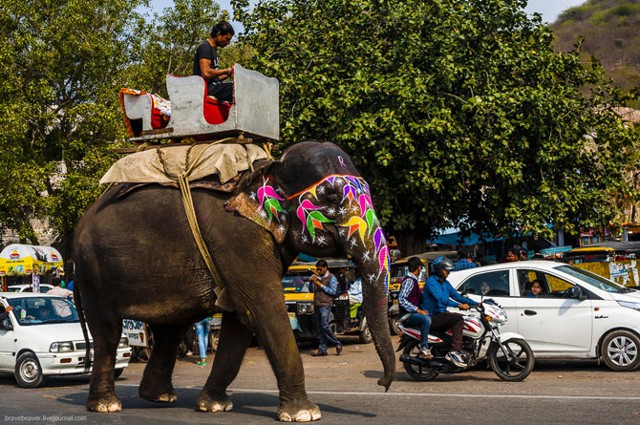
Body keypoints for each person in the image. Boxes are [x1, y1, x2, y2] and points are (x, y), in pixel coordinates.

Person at [421, 256, 479, 368]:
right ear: (438, 269)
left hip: (441, 314)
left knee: (467, 319)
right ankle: (454, 351)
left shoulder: (445, 283)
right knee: (458, 319)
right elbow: (441, 299)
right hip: (433, 316)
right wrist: (459, 305)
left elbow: (456, 296)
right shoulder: (431, 282)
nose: (448, 272)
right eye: (446, 270)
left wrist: (476, 303)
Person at [398, 257, 433, 359]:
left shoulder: (413, 280)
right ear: (418, 268)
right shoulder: (409, 281)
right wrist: (417, 310)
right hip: (407, 315)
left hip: (412, 313)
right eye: (421, 268)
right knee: (426, 319)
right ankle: (424, 348)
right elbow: (402, 299)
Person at [193, 20, 235, 103]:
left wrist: (230, 73)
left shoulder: (213, 49)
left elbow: (215, 78)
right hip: (206, 88)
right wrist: (226, 70)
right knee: (238, 88)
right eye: (227, 39)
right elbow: (206, 73)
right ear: (219, 35)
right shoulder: (205, 47)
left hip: (214, 86)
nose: (228, 43)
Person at [310, 259, 342, 356]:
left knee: (324, 325)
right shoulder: (317, 277)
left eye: (320, 269)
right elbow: (311, 290)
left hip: (326, 304)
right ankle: (322, 349)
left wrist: (320, 285)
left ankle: (337, 343)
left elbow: (333, 291)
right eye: (317, 269)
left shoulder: (332, 278)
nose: (319, 271)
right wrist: (312, 282)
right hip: (317, 304)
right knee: (319, 328)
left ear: (325, 268)